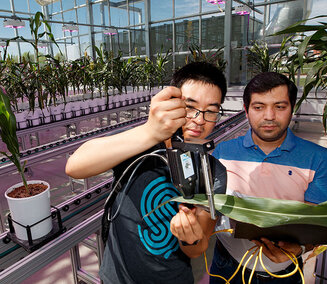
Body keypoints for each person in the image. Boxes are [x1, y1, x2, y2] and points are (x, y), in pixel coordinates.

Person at [65, 61, 228, 284]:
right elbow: (75, 166)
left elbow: (197, 250)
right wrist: (150, 132)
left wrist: (189, 237)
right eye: (190, 107)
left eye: (211, 111)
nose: (199, 120)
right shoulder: (141, 144)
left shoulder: (213, 172)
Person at [209, 72, 327, 283]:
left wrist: (300, 248)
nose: (269, 116)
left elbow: (320, 223)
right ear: (246, 110)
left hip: (284, 271)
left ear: (292, 108)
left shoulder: (318, 158)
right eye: (259, 107)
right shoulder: (224, 151)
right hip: (227, 265)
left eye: (280, 107)